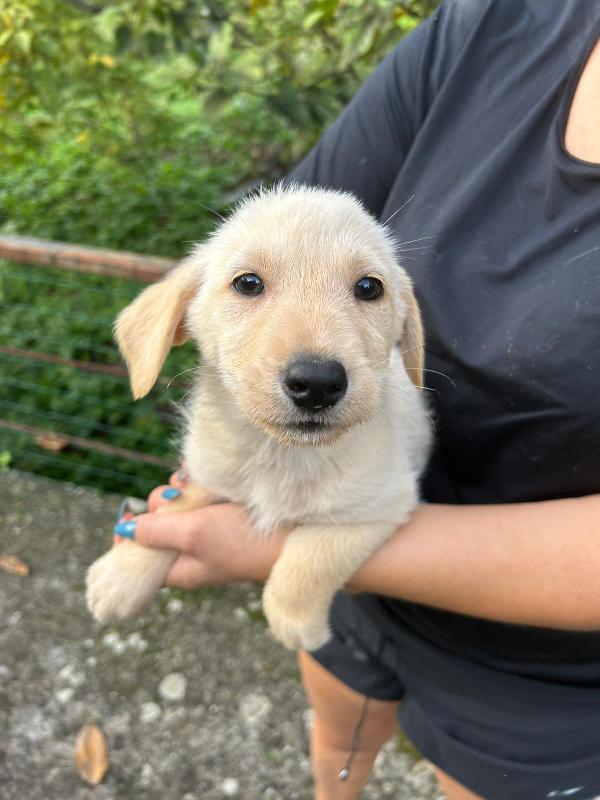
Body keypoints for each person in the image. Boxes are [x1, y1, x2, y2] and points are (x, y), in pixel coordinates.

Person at [116, 1, 600, 797]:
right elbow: (281, 238)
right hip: (347, 579)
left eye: (370, 291)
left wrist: (270, 549)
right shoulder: (494, 24)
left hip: (545, 667)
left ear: (403, 323)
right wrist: (206, 489)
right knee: (336, 745)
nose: (317, 352)